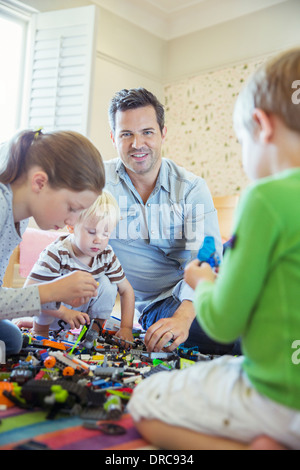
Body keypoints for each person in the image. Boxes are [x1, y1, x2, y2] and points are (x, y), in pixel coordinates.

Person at [127, 48, 300, 450]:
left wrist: (203, 281)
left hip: (278, 393)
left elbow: (223, 320)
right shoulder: (106, 185)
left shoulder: (263, 199)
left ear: (262, 126)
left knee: (145, 404)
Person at [105, 87, 239, 355]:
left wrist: (184, 317)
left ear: (163, 134)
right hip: (157, 303)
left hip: (199, 293)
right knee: (228, 338)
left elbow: (206, 258)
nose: (137, 144)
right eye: (126, 134)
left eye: (147, 132)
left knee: (264, 318)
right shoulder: (97, 183)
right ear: (113, 138)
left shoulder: (190, 189)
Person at [0, 129, 105, 355]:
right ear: (40, 182)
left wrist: (56, 298)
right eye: (72, 208)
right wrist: (51, 291)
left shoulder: (20, 216)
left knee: (11, 340)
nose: (73, 220)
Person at [25, 191, 135, 344]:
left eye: (106, 233)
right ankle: (39, 330)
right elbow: (30, 293)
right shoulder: (56, 253)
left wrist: (127, 328)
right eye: (91, 232)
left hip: (81, 317)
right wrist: (63, 312)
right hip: (53, 312)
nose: (98, 240)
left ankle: (93, 334)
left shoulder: (106, 254)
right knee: (44, 289)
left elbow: (126, 290)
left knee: (108, 284)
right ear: (71, 227)